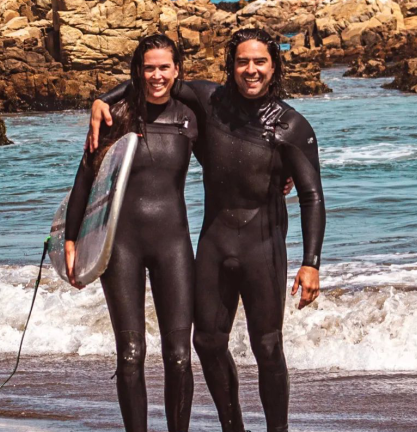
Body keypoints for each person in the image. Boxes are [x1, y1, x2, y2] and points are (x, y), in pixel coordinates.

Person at [89, 28, 326, 432]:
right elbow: (154, 78)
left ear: (274, 67)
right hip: (215, 244)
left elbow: (312, 196)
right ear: (231, 66)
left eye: (260, 62)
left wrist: (311, 263)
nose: (251, 70)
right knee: (207, 343)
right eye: (242, 61)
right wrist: (103, 100)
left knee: (268, 347)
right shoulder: (209, 101)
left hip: (263, 247)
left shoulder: (291, 126)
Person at [65, 34, 197, 432]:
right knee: (130, 353)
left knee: (179, 356)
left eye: (164, 67)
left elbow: (228, 161)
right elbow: (85, 179)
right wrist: (71, 240)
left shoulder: (191, 117)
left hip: (173, 244)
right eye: (148, 68)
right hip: (121, 245)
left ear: (177, 70)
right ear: (138, 71)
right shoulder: (115, 117)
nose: (157, 76)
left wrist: (279, 178)